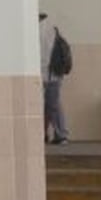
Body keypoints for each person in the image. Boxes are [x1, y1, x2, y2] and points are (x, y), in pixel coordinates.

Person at [39, 12, 69, 145]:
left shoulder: (42, 31)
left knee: (50, 105)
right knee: (52, 105)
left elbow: (43, 57)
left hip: (47, 74)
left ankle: (58, 134)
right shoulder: (53, 30)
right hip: (54, 74)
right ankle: (58, 134)